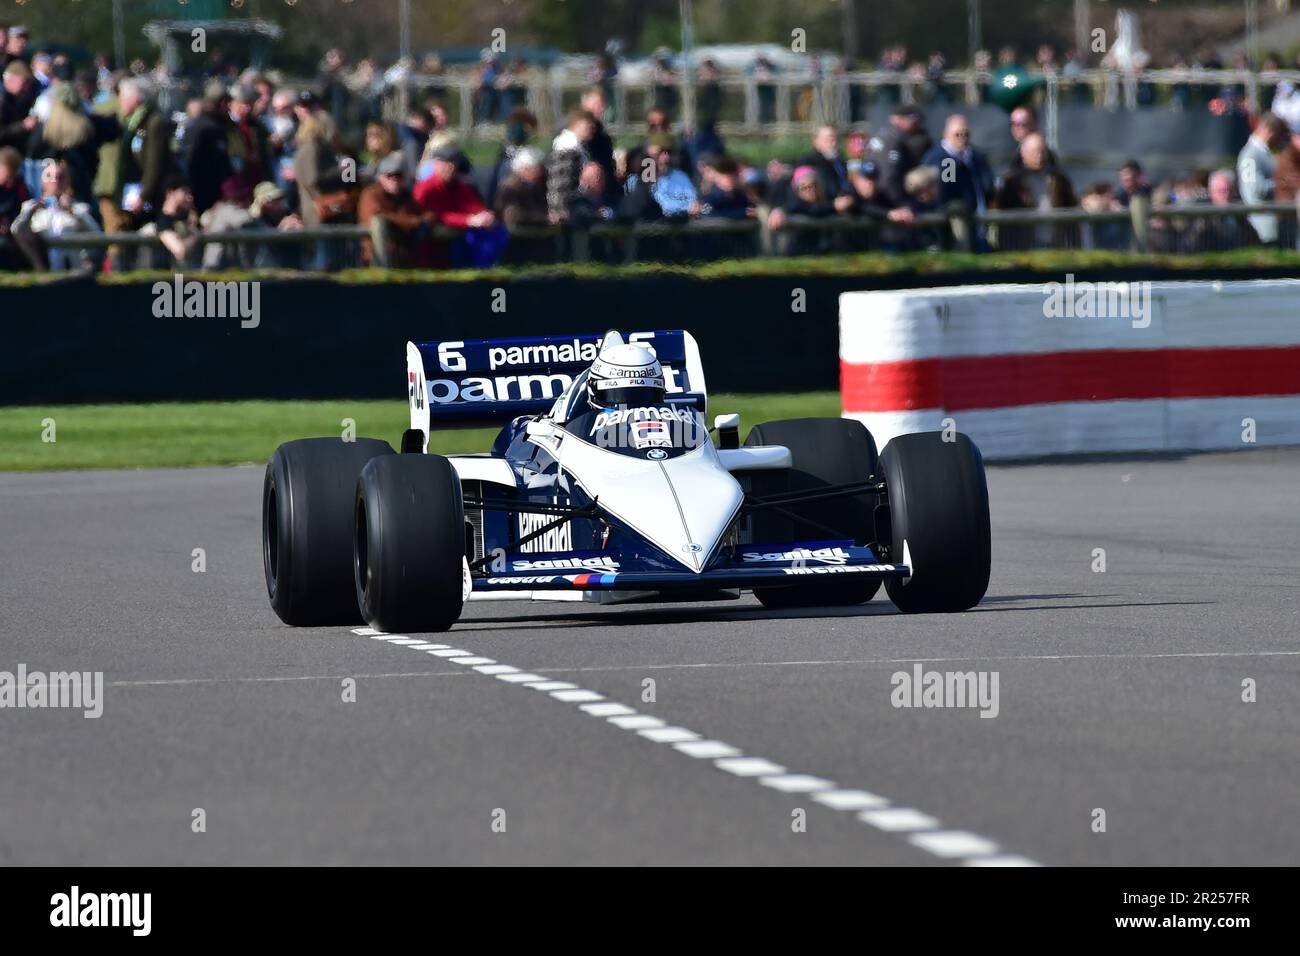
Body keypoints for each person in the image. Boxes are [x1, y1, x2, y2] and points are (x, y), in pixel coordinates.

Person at [11, 157, 101, 270]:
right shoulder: (30, 207)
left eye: (60, 177)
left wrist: (72, 211)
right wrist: (31, 212)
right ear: (42, 181)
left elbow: (96, 233)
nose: (55, 181)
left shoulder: (79, 208)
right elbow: (16, 229)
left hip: (73, 268)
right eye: (49, 176)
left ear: (68, 181)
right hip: (41, 265)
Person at [992, 132, 1078, 249]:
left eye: (1042, 151)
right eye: (1034, 152)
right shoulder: (1012, 182)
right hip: (1022, 245)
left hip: (1054, 244)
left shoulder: (1059, 180)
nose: (1039, 156)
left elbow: (1072, 208)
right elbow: (999, 210)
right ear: (1023, 154)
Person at [357, 151, 430, 267]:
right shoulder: (370, 194)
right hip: (377, 260)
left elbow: (425, 212)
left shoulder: (405, 195)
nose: (394, 180)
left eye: (398, 176)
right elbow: (379, 216)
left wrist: (426, 221)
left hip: (404, 260)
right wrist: (414, 222)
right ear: (380, 177)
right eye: (389, 176)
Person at [923, 114, 993, 215]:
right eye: (957, 134)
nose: (962, 138)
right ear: (946, 134)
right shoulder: (942, 159)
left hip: (978, 216)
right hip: (954, 218)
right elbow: (946, 193)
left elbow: (987, 184)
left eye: (966, 134)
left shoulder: (976, 157)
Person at [1237, 112, 1288, 244]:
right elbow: (1255, 189)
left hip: (1275, 223)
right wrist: (1283, 183)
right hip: (1262, 226)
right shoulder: (1250, 155)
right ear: (1270, 132)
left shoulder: (1265, 153)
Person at [870, 104, 931, 208]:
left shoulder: (884, 135)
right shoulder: (893, 139)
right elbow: (889, 176)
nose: (916, 125)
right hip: (888, 201)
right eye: (912, 120)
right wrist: (900, 204)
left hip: (881, 199)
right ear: (897, 119)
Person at [546, 109, 595, 224]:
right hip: (566, 213)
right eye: (588, 125)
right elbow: (559, 184)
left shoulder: (580, 149)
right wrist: (560, 213)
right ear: (577, 124)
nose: (591, 128)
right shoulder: (566, 150)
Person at [493, 146, 548, 229]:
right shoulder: (510, 188)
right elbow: (513, 216)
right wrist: (545, 218)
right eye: (537, 168)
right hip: (519, 235)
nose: (541, 172)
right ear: (524, 169)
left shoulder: (539, 184)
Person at [0, 143, 28, 268]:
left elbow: (25, 208)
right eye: (7, 177)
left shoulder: (20, 187)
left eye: (13, 177)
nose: (10, 182)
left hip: (14, 233)